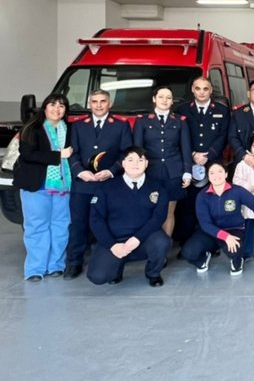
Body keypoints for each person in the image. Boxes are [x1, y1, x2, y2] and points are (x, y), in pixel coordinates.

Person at [64, 89, 132, 280]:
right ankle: (74, 263)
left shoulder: (120, 125)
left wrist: (111, 171)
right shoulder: (78, 126)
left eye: (103, 101)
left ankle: (113, 263)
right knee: (78, 225)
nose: (99, 105)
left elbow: (126, 154)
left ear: (109, 104)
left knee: (112, 226)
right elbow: (72, 153)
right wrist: (80, 171)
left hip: (110, 185)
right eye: (95, 101)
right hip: (83, 184)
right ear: (89, 103)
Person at [86, 146, 171, 287]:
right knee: (97, 277)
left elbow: (158, 218)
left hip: (143, 239)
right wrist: (112, 245)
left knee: (162, 242)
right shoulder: (106, 188)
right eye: (130, 160)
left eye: (140, 160)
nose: (135, 164)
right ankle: (116, 269)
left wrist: (137, 238)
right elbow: (96, 220)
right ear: (123, 163)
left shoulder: (157, 187)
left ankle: (153, 273)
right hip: (115, 239)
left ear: (146, 163)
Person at [13, 94, 73, 282]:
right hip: (36, 186)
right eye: (53, 105)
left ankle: (56, 265)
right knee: (37, 226)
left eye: (62, 106)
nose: (57, 109)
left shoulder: (69, 129)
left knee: (61, 226)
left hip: (63, 186)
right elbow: (28, 155)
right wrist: (58, 155)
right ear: (45, 107)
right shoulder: (32, 128)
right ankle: (35, 268)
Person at [181, 160, 254, 276]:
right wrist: (225, 236)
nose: (216, 175)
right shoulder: (202, 196)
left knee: (235, 253)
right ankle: (203, 259)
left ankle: (237, 260)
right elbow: (205, 223)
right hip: (209, 231)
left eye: (220, 172)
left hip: (234, 229)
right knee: (188, 252)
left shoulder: (237, 191)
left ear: (225, 174)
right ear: (208, 176)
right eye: (212, 173)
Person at [174, 76, 231, 245]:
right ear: (192, 89)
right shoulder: (182, 110)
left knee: (212, 202)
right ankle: (186, 240)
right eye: (198, 88)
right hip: (188, 162)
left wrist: (209, 155)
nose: (201, 92)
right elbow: (178, 136)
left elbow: (224, 135)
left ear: (211, 90)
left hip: (213, 164)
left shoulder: (222, 110)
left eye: (205, 89)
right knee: (188, 204)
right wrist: (193, 155)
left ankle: (213, 241)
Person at [132, 85, 192, 237]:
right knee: (148, 209)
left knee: (169, 211)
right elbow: (138, 149)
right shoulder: (142, 121)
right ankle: (150, 245)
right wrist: (136, 172)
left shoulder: (180, 121)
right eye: (161, 97)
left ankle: (165, 247)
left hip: (174, 172)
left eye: (168, 97)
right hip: (150, 172)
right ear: (154, 99)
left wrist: (187, 172)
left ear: (172, 101)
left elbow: (185, 148)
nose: (165, 100)